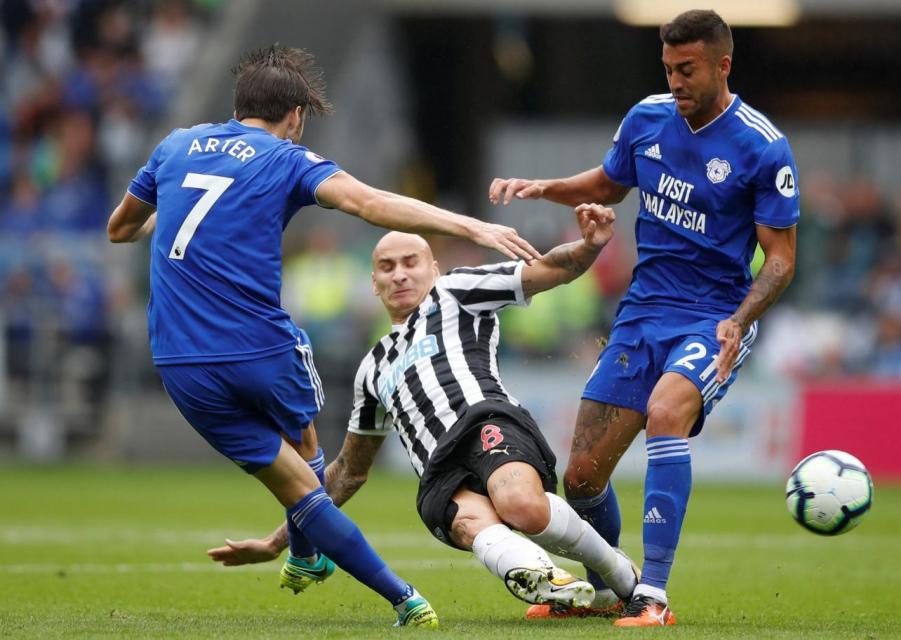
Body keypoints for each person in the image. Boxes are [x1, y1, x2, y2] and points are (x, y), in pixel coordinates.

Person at [106, 45, 540, 629]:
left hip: (180, 362)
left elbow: (120, 228)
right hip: (258, 345)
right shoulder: (286, 157)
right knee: (305, 432)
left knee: (298, 490)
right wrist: (469, 225)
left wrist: (183, 213)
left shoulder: (175, 145)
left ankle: (397, 594)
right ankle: (315, 555)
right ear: (296, 116)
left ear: (238, 105)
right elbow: (367, 202)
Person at [488, 9, 799, 627]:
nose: (676, 81)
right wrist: (543, 187)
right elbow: (607, 183)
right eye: (668, 69)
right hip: (641, 316)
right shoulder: (647, 118)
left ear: (722, 65)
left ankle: (652, 593)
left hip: (712, 318)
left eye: (687, 70)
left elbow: (782, 259)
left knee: (665, 413)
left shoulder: (762, 146)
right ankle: (610, 586)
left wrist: (739, 319)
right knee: (579, 479)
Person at [208, 205, 644, 612]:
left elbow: (548, 269)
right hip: (438, 471)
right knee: (472, 525)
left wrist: (590, 246)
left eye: (410, 262)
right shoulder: (372, 369)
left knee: (521, 506)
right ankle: (547, 579)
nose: (399, 275)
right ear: (374, 283)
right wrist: (279, 540)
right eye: (386, 267)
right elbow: (349, 471)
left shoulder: (457, 291)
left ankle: (618, 574)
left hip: (484, 423)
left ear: (433, 269)